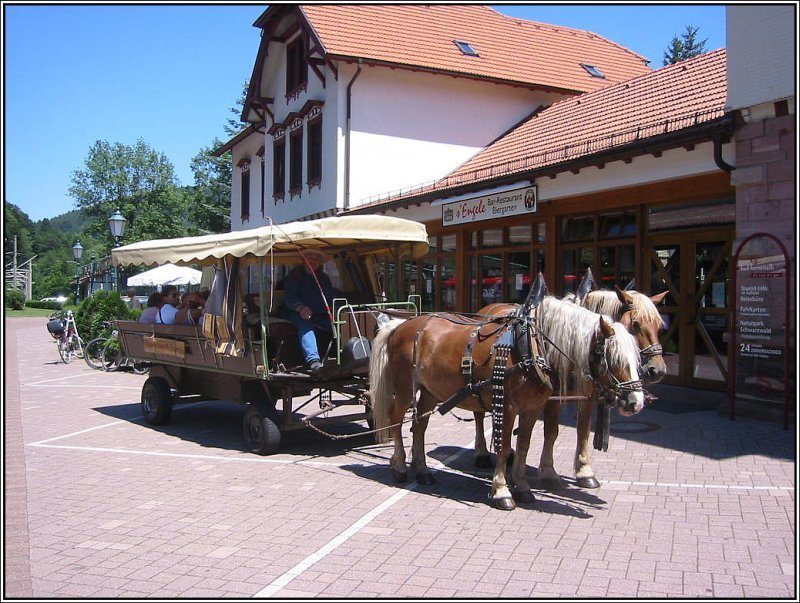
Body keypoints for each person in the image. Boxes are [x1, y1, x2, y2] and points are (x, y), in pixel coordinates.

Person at [280, 249, 339, 373]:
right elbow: (289, 297)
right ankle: (313, 361)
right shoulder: (294, 275)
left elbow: (329, 297)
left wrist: (334, 310)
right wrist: (301, 308)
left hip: (319, 314)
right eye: (310, 258)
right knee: (305, 325)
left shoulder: (324, 278)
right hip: (294, 313)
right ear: (303, 260)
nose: (313, 261)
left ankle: (344, 356)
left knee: (338, 325)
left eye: (316, 259)